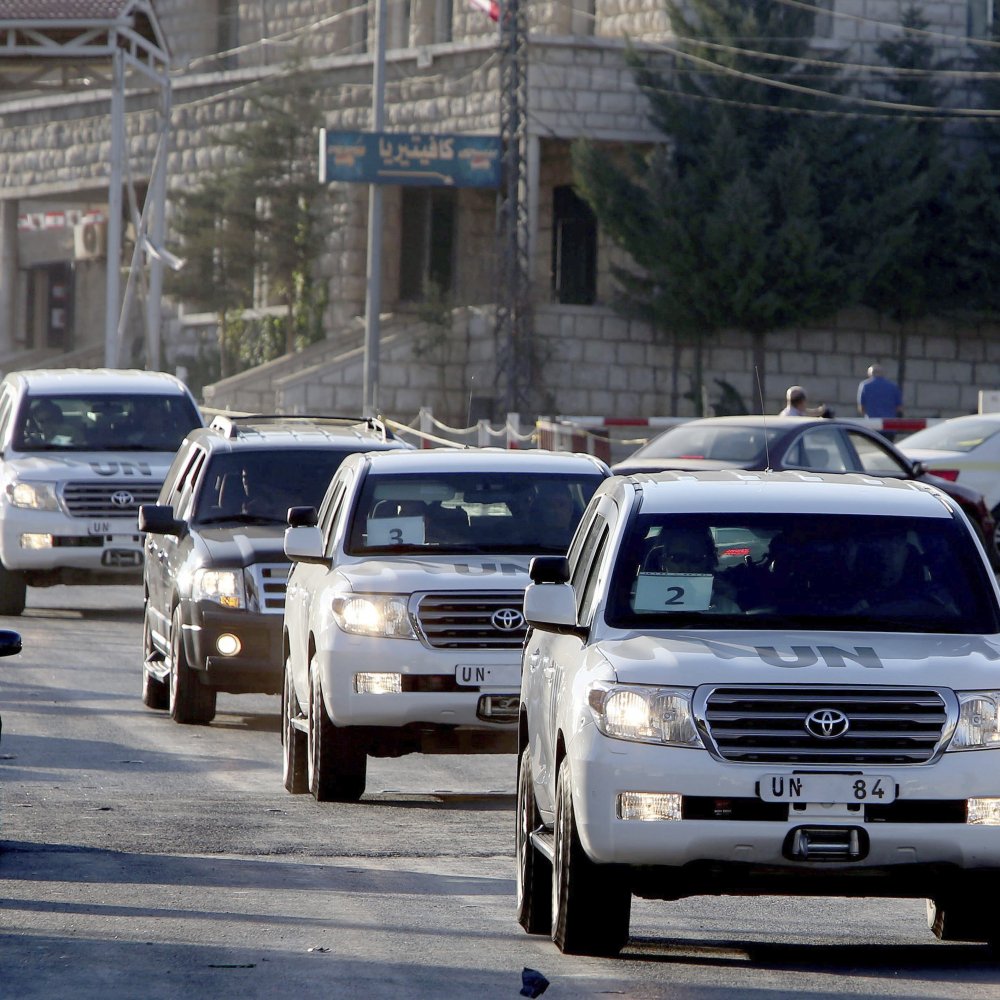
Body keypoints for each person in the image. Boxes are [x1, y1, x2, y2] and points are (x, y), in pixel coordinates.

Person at [857, 364, 903, 441]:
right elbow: (899, 408)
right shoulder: (893, 386)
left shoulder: (865, 386)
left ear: (870, 374)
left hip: (871, 426)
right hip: (889, 426)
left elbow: (861, 408)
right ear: (883, 373)